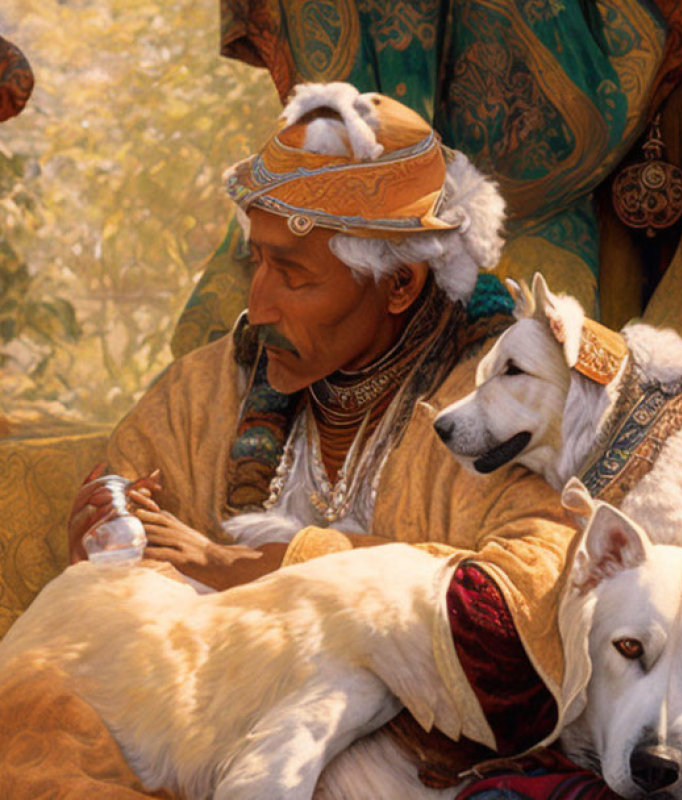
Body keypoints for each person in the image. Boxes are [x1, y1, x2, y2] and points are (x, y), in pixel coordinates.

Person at [53, 81, 575, 793]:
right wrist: (109, 525)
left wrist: (270, 566)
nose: (257, 304)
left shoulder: (504, 406)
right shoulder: (208, 388)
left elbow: (527, 617)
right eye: (256, 263)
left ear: (400, 287)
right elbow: (125, 514)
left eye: (293, 275)